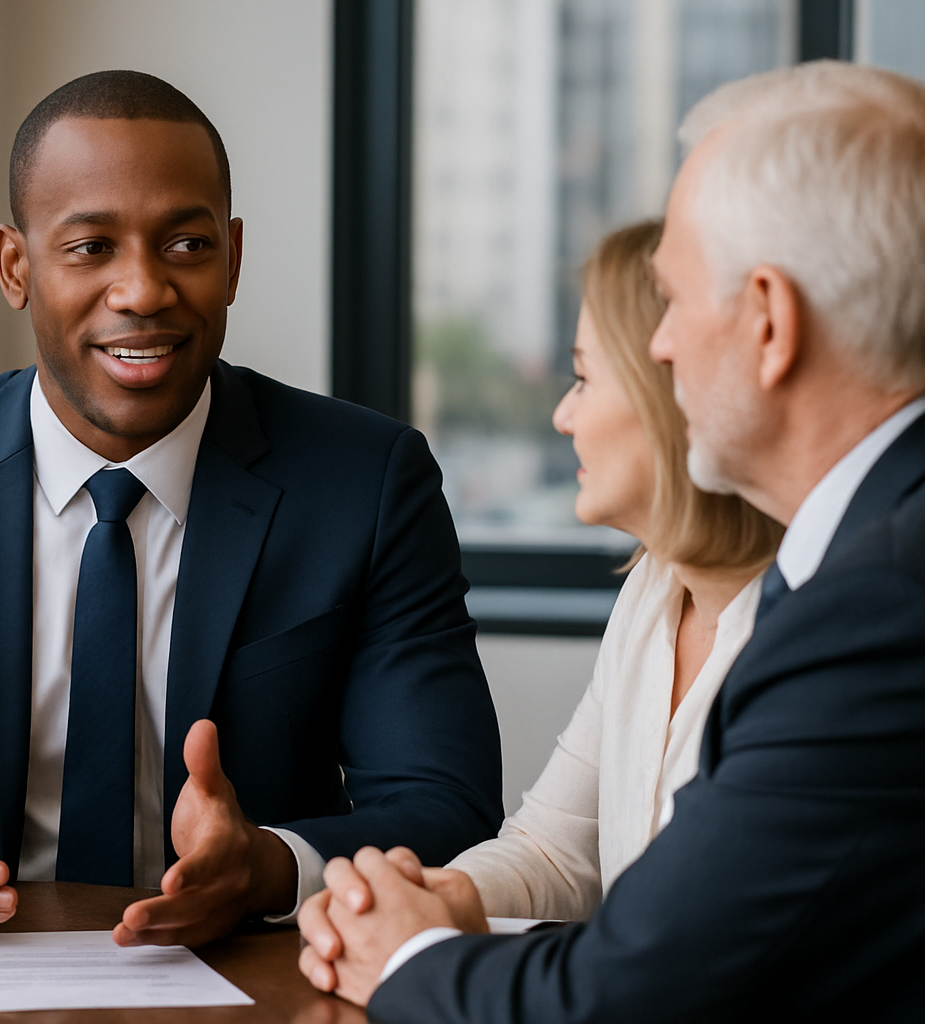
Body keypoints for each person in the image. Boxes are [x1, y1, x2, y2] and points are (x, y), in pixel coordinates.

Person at [0, 70, 503, 948]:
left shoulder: (365, 482)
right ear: (16, 265)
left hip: (257, 980)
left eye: (186, 245)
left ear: (232, 257)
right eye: (90, 248)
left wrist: (268, 866)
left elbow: (445, 804)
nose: (143, 290)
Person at [298, 60, 925, 1021]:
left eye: (674, 300)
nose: (663, 346)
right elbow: (576, 868)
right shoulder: (845, 560)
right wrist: (438, 905)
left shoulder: (877, 601)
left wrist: (407, 955)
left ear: (768, 322)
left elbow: (635, 994)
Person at [428, 220, 782, 923]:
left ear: (672, 394)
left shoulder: (807, 626)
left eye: (584, 377)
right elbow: (554, 854)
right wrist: (431, 899)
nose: (563, 415)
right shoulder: (655, 591)